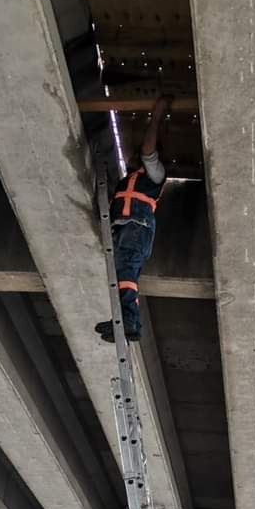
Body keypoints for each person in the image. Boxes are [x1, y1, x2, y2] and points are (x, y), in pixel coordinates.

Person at [95, 93, 173, 344]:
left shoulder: (155, 173)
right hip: (126, 230)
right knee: (124, 277)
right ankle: (131, 323)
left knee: (126, 272)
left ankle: (129, 320)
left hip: (136, 228)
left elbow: (148, 149)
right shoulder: (127, 180)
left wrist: (157, 114)